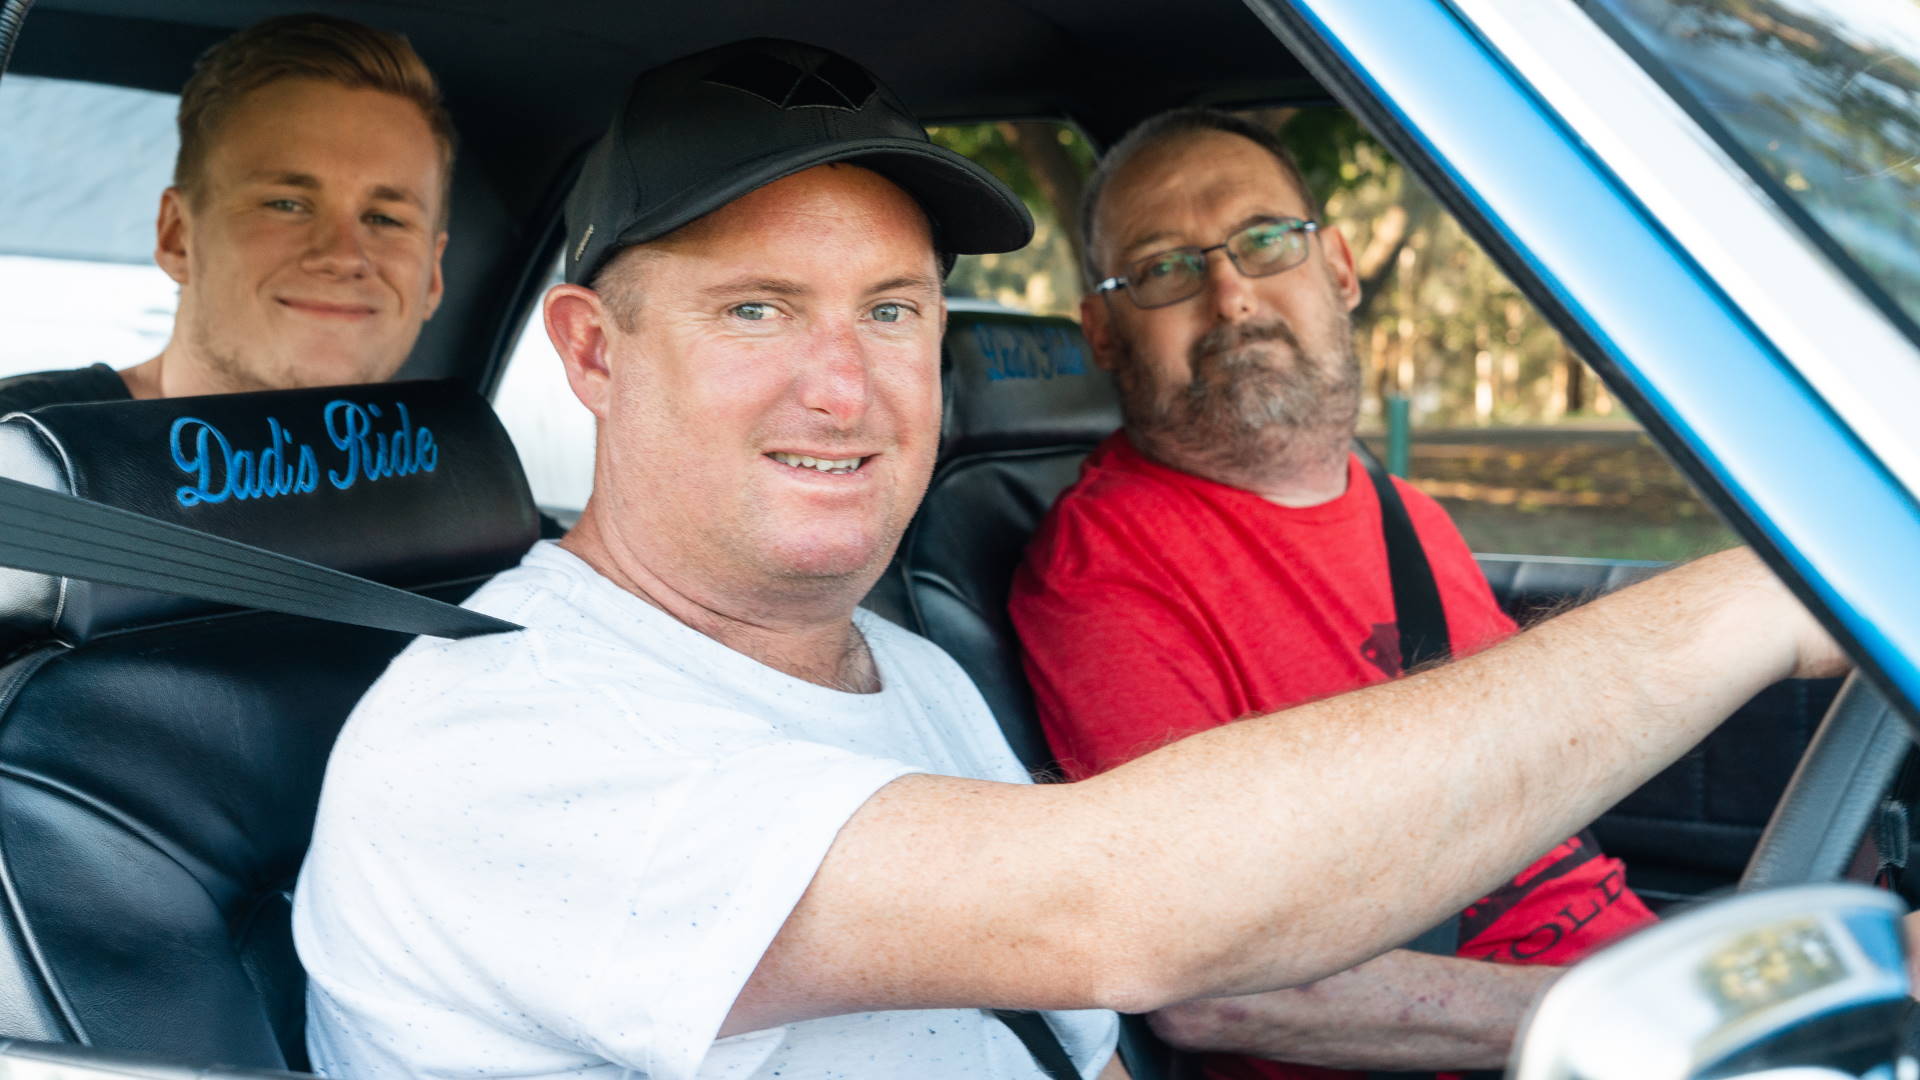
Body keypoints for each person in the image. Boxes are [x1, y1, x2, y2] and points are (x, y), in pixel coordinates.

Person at [291, 39, 1845, 1080]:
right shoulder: (492, 740)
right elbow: (1126, 915)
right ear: (594, 352)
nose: (844, 386)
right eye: (755, 309)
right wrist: (1766, 593)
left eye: (893, 312)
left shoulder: (902, 676)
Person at [1007, 109, 1657, 1079]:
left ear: (1340, 268)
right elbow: (1216, 982)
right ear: (1102, 329)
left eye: (1265, 241)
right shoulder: (1104, 572)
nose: (1230, 296)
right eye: (1164, 268)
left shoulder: (1408, 514)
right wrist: (1627, 1017)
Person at [0, 14, 453, 415]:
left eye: (385, 219)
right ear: (178, 237)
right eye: (286, 205)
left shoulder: (460, 484)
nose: (344, 255)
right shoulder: (26, 450)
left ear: (432, 274)